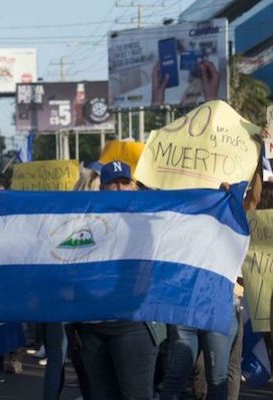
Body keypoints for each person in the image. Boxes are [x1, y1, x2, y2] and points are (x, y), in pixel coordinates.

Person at [161, 131, 265, 400]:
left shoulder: (231, 212)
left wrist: (260, 154)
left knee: (218, 379)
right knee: (176, 377)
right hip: (185, 306)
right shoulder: (182, 212)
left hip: (220, 303)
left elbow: (254, 198)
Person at [76, 161, 164, 400]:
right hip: (90, 326)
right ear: (102, 187)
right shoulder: (85, 220)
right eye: (113, 183)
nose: (119, 188)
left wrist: (220, 197)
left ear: (132, 186)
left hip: (133, 325)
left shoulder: (149, 219)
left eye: (124, 182)